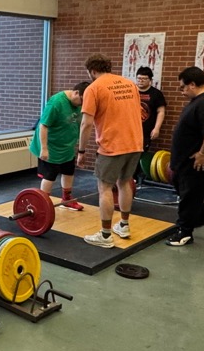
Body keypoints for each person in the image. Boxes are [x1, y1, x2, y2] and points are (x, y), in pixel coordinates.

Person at [77, 54, 143, 248]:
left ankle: (105, 235)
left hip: (112, 146)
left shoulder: (94, 88)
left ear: (92, 71)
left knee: (105, 188)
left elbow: (86, 124)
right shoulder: (130, 84)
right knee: (124, 183)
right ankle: (124, 225)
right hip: (135, 142)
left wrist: (81, 151)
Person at [168, 66, 204, 247]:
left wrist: (203, 153)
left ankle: (184, 233)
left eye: (182, 87)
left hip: (196, 161)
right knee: (183, 188)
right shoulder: (200, 100)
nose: (182, 92)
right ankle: (200, 215)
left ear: (192, 84)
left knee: (189, 195)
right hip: (186, 160)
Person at [30, 82, 87, 211]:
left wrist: (80, 149)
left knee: (69, 172)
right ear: (76, 93)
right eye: (82, 100)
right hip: (51, 146)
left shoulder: (80, 104)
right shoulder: (56, 102)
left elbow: (80, 125)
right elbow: (43, 125)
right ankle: (42, 205)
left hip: (67, 146)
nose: (82, 104)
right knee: (50, 176)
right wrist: (44, 148)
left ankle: (67, 199)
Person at [134, 66, 166, 183]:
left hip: (146, 131)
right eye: (139, 78)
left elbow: (161, 111)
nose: (140, 81)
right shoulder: (131, 91)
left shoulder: (156, 94)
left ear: (150, 80)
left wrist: (157, 128)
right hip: (130, 130)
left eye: (144, 79)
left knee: (140, 154)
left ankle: (136, 178)